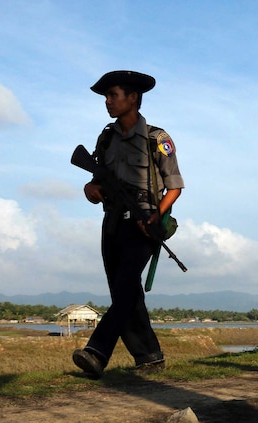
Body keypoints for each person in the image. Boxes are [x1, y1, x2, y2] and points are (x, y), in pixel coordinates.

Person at [72, 70, 184, 379]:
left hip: (143, 224)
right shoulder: (106, 137)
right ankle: (149, 355)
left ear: (132, 98)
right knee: (126, 291)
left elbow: (174, 187)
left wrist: (154, 215)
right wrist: (89, 190)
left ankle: (97, 352)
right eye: (106, 96)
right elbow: (95, 186)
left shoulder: (157, 139)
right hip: (111, 224)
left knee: (124, 290)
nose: (107, 102)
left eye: (113, 95)